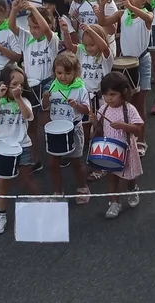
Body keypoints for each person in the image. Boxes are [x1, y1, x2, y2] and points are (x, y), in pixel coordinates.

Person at [0, 66, 40, 235]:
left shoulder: (24, 101)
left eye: (21, 84)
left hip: (22, 146)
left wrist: (18, 98)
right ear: (4, 84)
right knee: (2, 184)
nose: (18, 87)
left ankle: (40, 205)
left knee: (27, 179)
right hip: (3, 148)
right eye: (14, 84)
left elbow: (28, 116)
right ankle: (1, 216)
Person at [8, 0, 57, 172]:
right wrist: (14, 10)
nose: (33, 30)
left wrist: (33, 9)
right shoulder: (27, 38)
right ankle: (35, 159)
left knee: (47, 123)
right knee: (31, 126)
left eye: (36, 27)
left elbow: (46, 30)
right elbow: (12, 26)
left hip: (47, 85)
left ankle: (56, 155)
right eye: (30, 26)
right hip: (30, 85)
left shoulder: (52, 39)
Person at [92, 72, 145, 219]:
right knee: (111, 177)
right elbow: (99, 128)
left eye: (113, 94)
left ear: (124, 93)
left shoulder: (129, 109)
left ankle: (132, 189)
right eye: (105, 95)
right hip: (109, 149)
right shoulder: (103, 109)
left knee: (129, 176)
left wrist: (123, 125)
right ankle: (114, 203)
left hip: (126, 148)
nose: (108, 98)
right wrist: (94, 121)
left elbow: (138, 129)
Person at [44, 52, 92, 204]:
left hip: (74, 129)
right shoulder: (52, 86)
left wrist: (77, 105)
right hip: (55, 130)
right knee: (53, 164)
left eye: (67, 73)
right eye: (59, 73)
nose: (63, 77)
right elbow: (45, 107)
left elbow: (87, 110)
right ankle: (58, 192)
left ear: (76, 72)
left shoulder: (80, 88)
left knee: (75, 162)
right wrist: (45, 98)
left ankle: (83, 188)